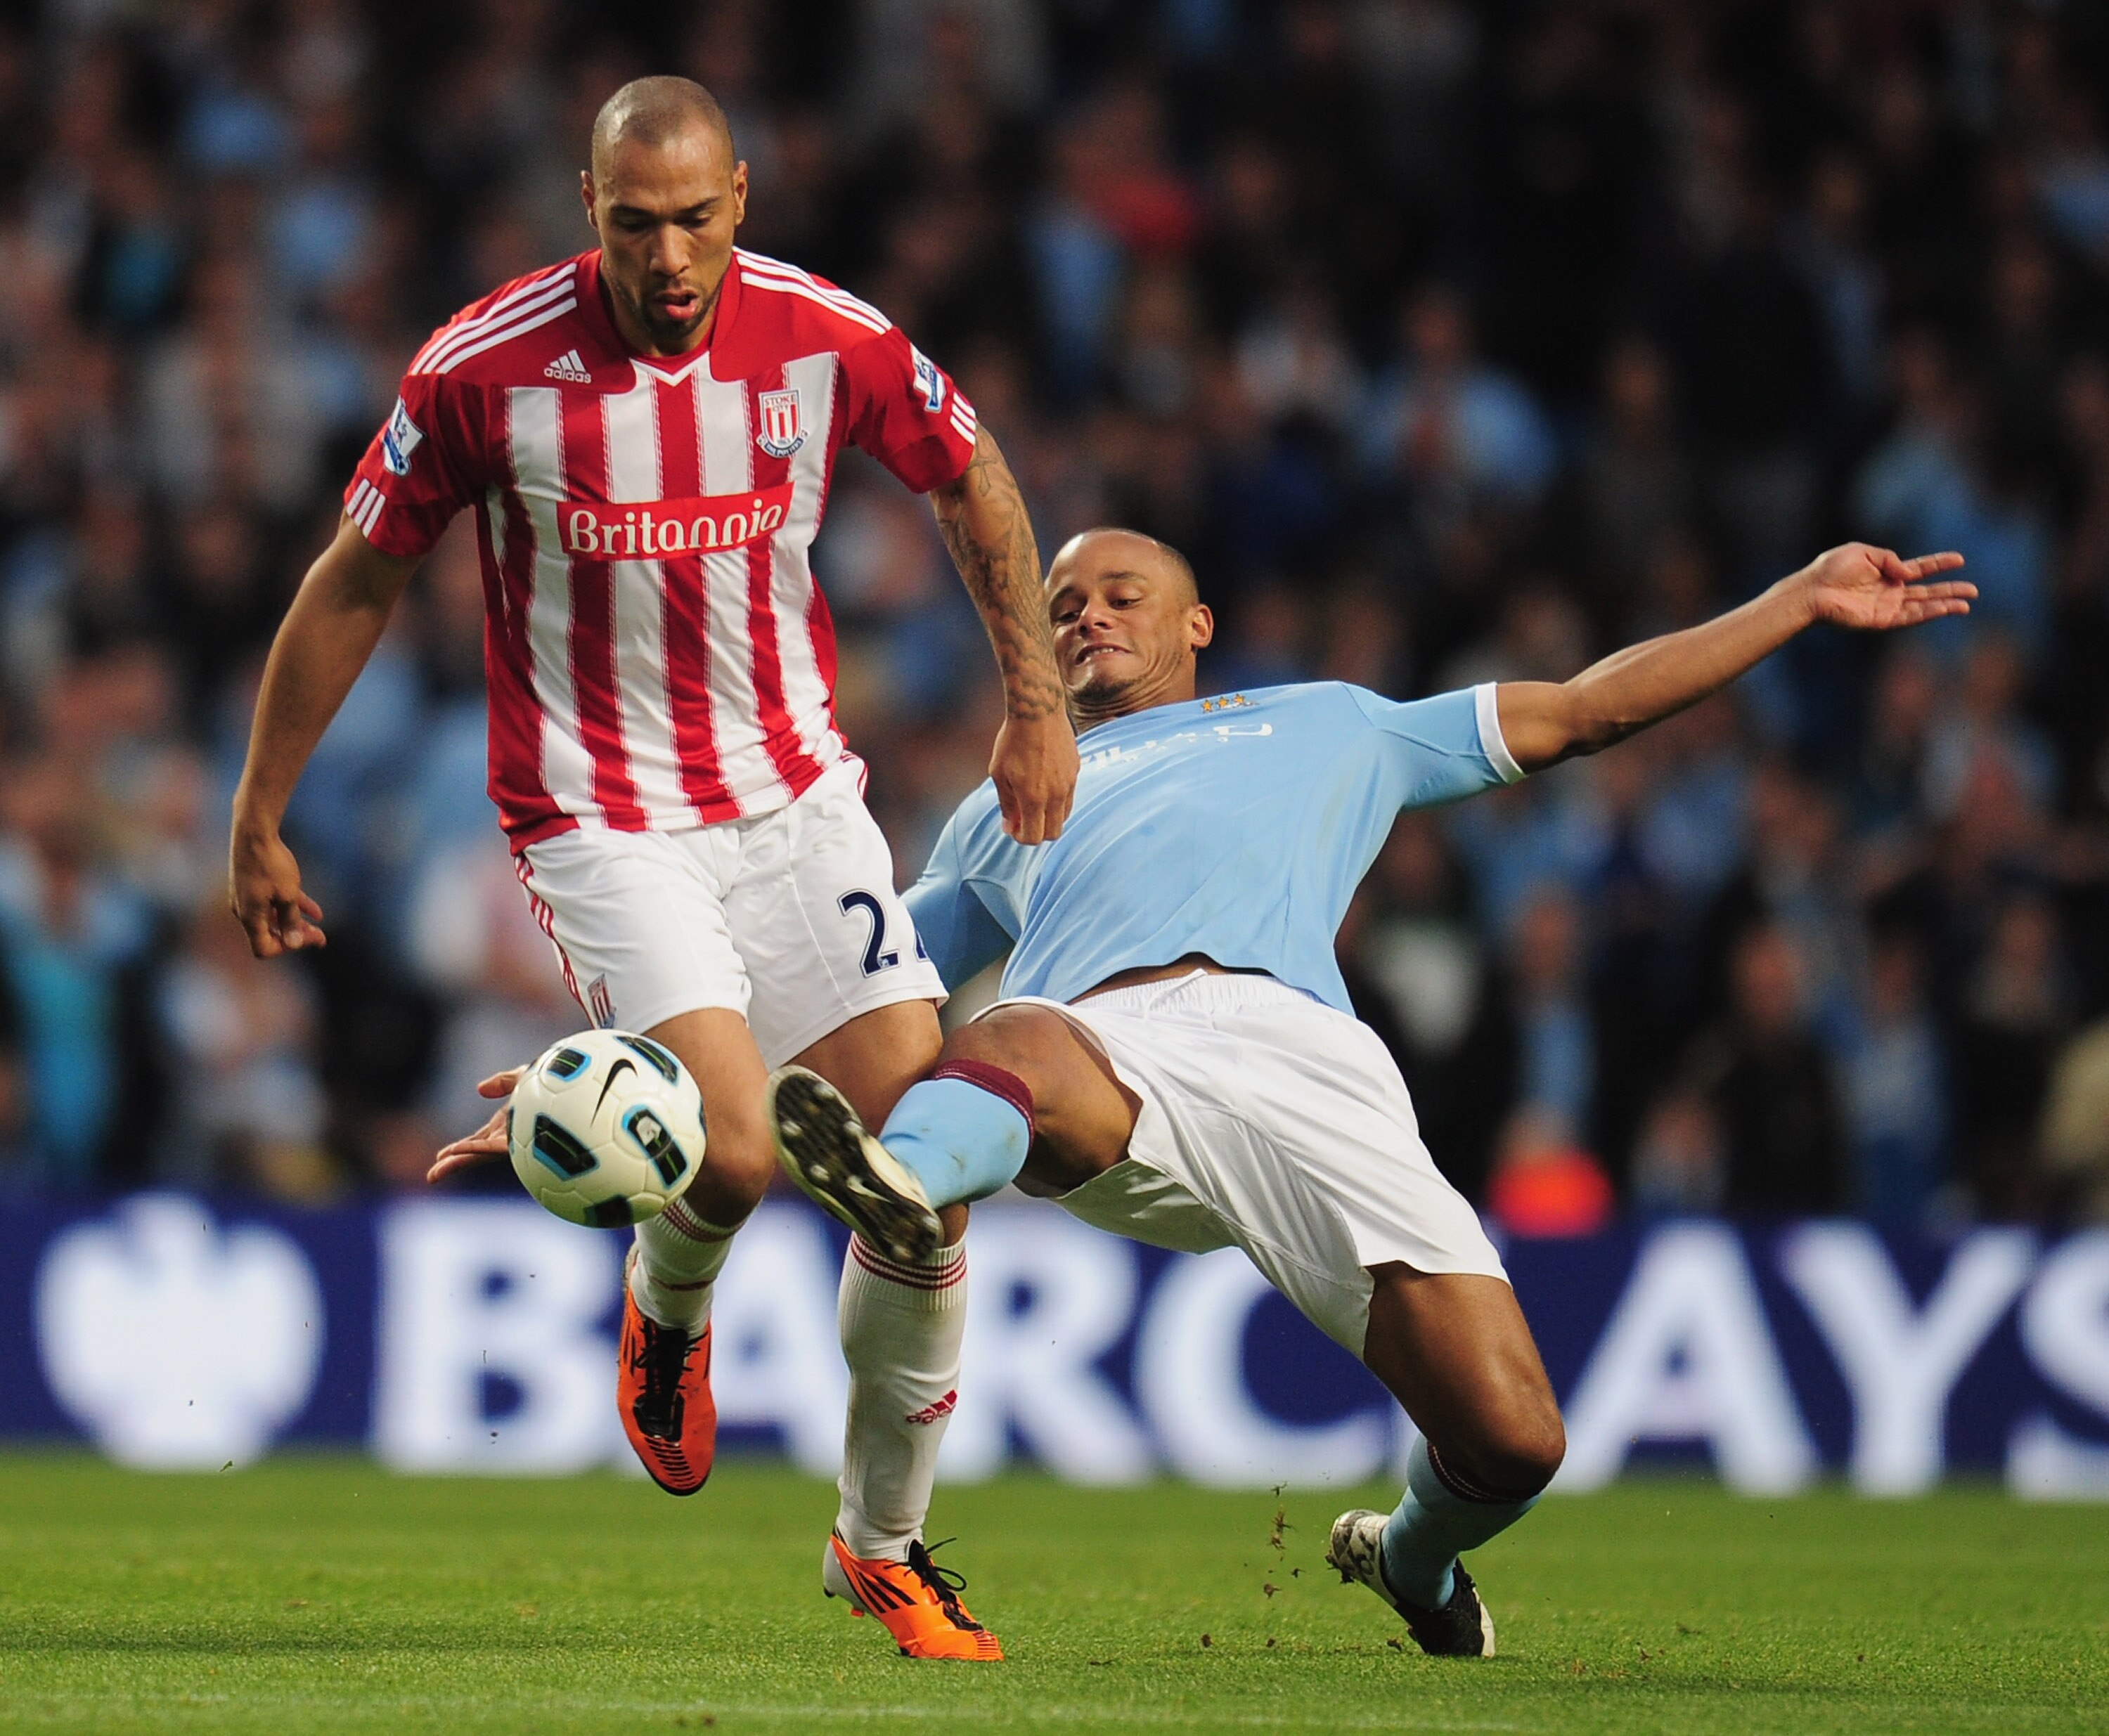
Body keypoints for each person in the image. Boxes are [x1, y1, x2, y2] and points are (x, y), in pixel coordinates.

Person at [768, 526, 1972, 1657]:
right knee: (1006, 1033)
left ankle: (1409, 1558)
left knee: (1512, 1437)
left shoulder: (1333, 723)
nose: (1087, 618)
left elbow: (1584, 710)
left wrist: (1794, 599)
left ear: (1199, 625)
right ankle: (905, 1190)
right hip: (1101, 1051)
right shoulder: (1002, 801)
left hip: (1305, 1061)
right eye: (1062, 606)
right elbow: (865, 977)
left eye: (1121, 596)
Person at [228, 76, 1077, 1661]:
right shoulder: (483, 373)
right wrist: (259, 807)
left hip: (797, 798)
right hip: (598, 810)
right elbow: (357, 577)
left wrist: (1037, 706)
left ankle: (879, 1547)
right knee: (741, 1152)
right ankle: (667, 1306)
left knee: (919, 1180)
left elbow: (976, 476)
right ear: (588, 209)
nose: (671, 256)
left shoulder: (828, 337)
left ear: (741, 199)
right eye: (635, 223)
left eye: (696, 218)